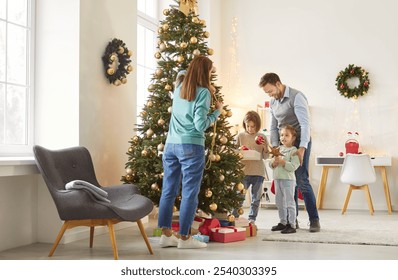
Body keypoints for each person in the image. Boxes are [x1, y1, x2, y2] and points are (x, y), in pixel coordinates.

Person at [158, 56, 223, 249]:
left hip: (171, 145)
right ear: (205, 73)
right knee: (189, 193)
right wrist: (217, 111)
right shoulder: (202, 93)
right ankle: (184, 238)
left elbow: (181, 73)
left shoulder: (179, 88)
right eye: (210, 71)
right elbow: (200, 124)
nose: (211, 75)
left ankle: (166, 234)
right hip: (191, 146)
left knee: (168, 190)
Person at [259, 72, 321, 232]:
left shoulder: (296, 96)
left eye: (270, 90)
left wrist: (302, 148)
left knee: (301, 180)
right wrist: (275, 148)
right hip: (283, 143)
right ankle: (290, 221)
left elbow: (305, 124)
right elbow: (273, 126)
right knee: (287, 182)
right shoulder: (273, 102)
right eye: (267, 92)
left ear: (278, 84)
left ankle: (314, 219)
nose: (270, 94)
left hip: (300, 142)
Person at [233, 111, 269, 225]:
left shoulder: (262, 137)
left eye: (253, 126)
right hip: (244, 171)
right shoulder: (240, 136)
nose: (250, 129)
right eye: (248, 126)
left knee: (256, 198)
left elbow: (265, 156)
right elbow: (234, 152)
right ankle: (234, 217)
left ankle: (252, 219)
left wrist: (265, 147)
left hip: (258, 172)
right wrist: (240, 150)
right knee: (239, 196)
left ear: (257, 125)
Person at [269, 124, 300, 234]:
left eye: (287, 135)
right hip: (277, 179)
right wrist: (274, 163)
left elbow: (293, 166)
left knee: (289, 202)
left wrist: (283, 162)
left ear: (293, 138)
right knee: (279, 202)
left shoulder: (294, 151)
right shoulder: (277, 150)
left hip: (288, 180)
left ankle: (291, 224)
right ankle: (282, 222)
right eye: (282, 135)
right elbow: (270, 164)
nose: (283, 137)